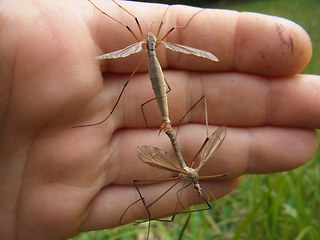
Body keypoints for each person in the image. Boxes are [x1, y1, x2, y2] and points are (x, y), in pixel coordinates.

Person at [0, 0, 318, 239]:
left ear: (154, 39)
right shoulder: (147, 40)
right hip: (154, 73)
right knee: (135, 85)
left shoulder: (154, 38)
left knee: (150, 88)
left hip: (160, 86)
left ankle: (156, 121)